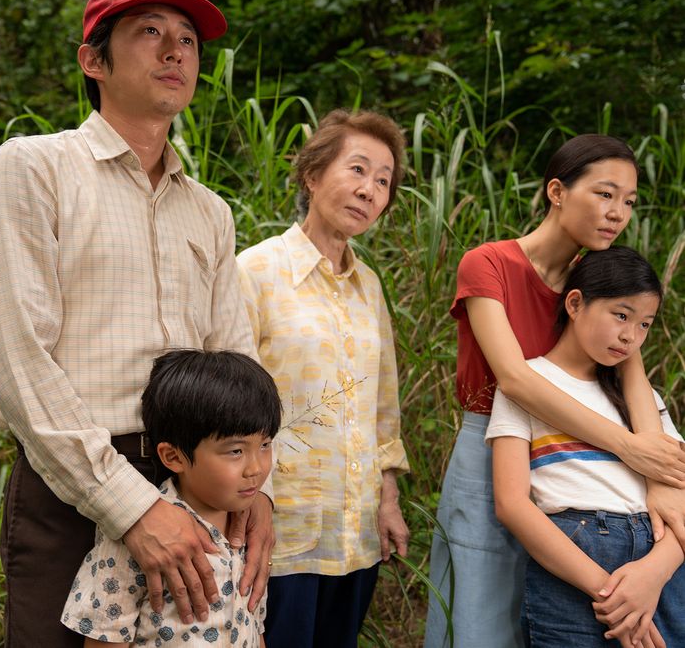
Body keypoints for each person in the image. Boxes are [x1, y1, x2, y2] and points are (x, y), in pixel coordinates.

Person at [0, 0, 272, 648]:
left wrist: (257, 488)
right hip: (69, 487)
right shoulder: (31, 170)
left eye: (188, 40)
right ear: (94, 60)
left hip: (201, 482)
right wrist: (133, 506)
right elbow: (17, 361)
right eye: (150, 33)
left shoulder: (209, 210)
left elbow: (235, 360)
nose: (177, 51)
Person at [423, 134, 685, 648]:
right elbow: (516, 380)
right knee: (479, 622)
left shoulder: (600, 285)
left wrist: (655, 475)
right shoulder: (489, 264)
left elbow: (632, 378)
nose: (618, 213)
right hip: (496, 448)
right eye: (605, 194)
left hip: (578, 467)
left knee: (550, 619)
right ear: (557, 191)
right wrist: (630, 447)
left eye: (629, 201)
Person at [237, 109, 410, 648]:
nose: (369, 190)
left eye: (383, 181)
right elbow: (231, 406)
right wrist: (245, 506)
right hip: (278, 531)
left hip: (356, 534)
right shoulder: (256, 272)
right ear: (313, 175)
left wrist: (388, 499)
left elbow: (383, 404)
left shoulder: (370, 286)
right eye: (357, 170)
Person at [488, 246, 685, 648]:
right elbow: (512, 504)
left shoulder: (643, 399)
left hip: (660, 560)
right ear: (575, 303)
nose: (631, 336)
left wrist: (655, 573)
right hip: (574, 562)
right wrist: (609, 591)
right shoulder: (530, 385)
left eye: (645, 324)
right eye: (621, 315)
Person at [62, 349, 280, 647]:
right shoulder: (136, 542)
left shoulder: (253, 536)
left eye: (265, 444)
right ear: (173, 456)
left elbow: (255, 624)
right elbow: (106, 637)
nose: (256, 468)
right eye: (236, 451)